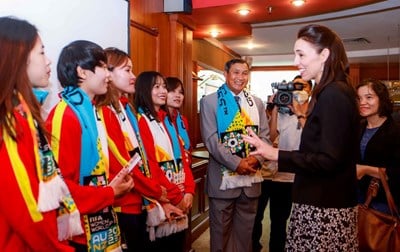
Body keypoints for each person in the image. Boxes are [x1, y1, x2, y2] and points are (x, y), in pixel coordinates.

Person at [242, 24, 360, 251]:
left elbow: (328, 159)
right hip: (324, 202)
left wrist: (274, 154)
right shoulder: (331, 90)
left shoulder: (333, 93)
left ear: (324, 54)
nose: (296, 61)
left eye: (301, 54)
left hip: (325, 208)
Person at [0, 16, 80, 251]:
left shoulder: (23, 112)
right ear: (19, 58)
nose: (48, 61)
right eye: (42, 52)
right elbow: (25, 205)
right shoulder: (11, 120)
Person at [46, 40, 134, 251]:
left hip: (98, 220)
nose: (109, 75)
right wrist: (109, 193)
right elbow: (61, 187)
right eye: (103, 67)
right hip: (79, 233)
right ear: (82, 72)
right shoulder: (65, 114)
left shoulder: (91, 112)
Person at [95, 47, 171, 251]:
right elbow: (123, 164)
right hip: (123, 201)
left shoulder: (126, 108)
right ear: (108, 72)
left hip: (141, 199)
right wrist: (155, 190)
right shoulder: (104, 111)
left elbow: (143, 157)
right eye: (127, 70)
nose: (133, 76)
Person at [200, 58, 270, 252]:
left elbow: (265, 137)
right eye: (236, 72)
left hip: (251, 181)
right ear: (226, 74)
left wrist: (256, 159)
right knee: (220, 235)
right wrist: (236, 163)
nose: (240, 77)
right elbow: (211, 140)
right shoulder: (209, 101)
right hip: (223, 182)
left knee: (245, 236)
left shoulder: (256, 103)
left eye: (244, 73)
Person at [252, 76, 312, 252]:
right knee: (256, 217)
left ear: (309, 90)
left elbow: (313, 139)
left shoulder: (312, 113)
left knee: (279, 221)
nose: (298, 90)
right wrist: (276, 108)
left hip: (287, 177)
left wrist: (299, 111)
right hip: (266, 173)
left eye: (303, 86)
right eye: (295, 86)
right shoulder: (281, 110)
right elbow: (270, 138)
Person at [134, 71, 190, 251]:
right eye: (156, 87)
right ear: (144, 90)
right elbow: (150, 165)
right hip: (163, 198)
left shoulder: (167, 120)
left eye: (164, 86)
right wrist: (176, 196)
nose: (163, 91)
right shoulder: (141, 121)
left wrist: (188, 191)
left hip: (179, 192)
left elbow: (183, 158)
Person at [356, 78, 400, 212]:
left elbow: (396, 172)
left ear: (382, 99)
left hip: (383, 203)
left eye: (369, 97)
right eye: (359, 98)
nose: (362, 103)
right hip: (356, 199)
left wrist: (364, 169)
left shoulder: (395, 131)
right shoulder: (358, 127)